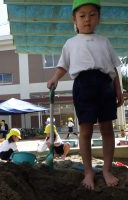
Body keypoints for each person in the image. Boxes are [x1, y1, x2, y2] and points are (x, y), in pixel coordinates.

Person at [47, 0, 124, 190]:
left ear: (98, 18)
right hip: (83, 85)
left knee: (107, 128)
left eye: (92, 14)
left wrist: (118, 89)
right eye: (82, 15)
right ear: (74, 19)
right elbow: (63, 65)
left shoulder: (104, 41)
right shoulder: (70, 43)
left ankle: (106, 169)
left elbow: (114, 69)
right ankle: (88, 171)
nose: (87, 19)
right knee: (85, 130)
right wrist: (55, 78)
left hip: (105, 84)